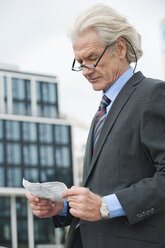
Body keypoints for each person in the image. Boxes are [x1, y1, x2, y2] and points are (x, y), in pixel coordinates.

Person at [26, 3, 165, 248]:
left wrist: (104, 206)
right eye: (80, 62)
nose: (85, 71)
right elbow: (100, 190)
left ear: (120, 48)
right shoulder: (103, 110)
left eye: (91, 58)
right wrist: (63, 207)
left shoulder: (153, 94)